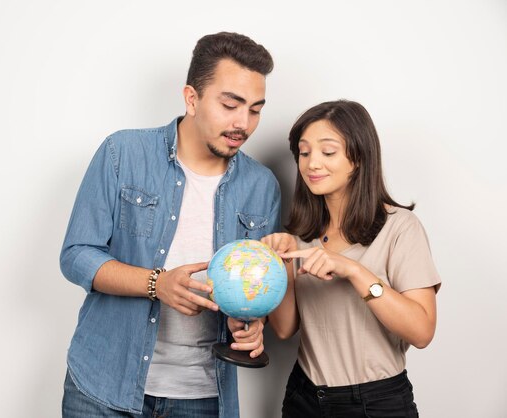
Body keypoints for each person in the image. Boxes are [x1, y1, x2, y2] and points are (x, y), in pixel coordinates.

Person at [59, 32, 281, 418]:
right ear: (191, 98)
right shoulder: (122, 153)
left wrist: (252, 324)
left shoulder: (262, 187)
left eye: (255, 109)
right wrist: (156, 283)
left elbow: (254, 283)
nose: (243, 123)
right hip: (103, 385)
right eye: (230, 105)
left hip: (201, 397)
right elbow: (77, 256)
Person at [261, 100, 441, 418]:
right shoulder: (301, 234)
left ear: (358, 158)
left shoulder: (400, 227)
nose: (312, 164)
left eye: (327, 152)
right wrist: (283, 264)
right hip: (303, 397)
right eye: (304, 152)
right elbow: (286, 328)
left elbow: (422, 331)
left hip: (375, 403)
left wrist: (354, 271)